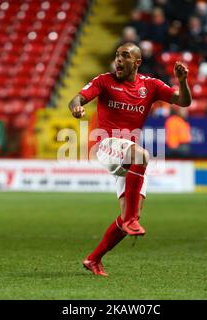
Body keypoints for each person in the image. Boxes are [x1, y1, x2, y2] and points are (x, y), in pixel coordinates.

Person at [68, 42, 192, 276]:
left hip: (127, 153)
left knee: (129, 215)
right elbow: (76, 99)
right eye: (117, 55)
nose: (119, 59)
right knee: (142, 154)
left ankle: (93, 259)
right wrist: (76, 108)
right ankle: (131, 220)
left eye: (125, 56)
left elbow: (184, 102)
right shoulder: (104, 80)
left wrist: (182, 81)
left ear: (137, 62)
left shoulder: (151, 85)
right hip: (104, 144)